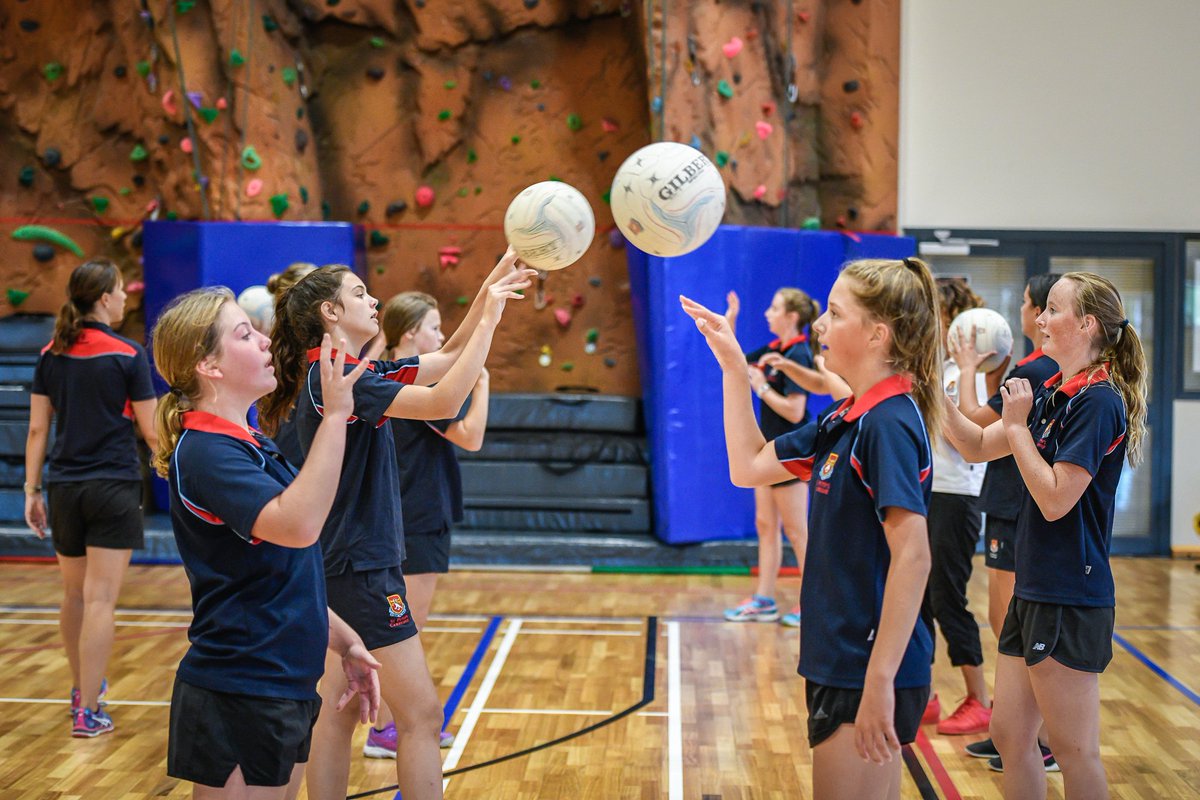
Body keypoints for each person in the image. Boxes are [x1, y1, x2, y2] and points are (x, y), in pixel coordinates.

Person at [259, 252, 534, 800]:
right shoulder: (337, 377)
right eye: (360, 294)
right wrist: (493, 319)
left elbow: (449, 354)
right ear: (331, 312)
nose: (374, 301)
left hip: (340, 561)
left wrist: (490, 284)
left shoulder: (344, 372)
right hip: (360, 567)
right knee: (422, 717)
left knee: (335, 716)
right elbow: (445, 398)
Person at [681, 256, 941, 799]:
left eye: (834, 312)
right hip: (840, 659)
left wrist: (879, 679)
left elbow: (913, 557)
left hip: (865, 664)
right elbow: (747, 465)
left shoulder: (888, 425)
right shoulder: (846, 418)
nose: (819, 324)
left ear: (876, 335)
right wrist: (733, 367)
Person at [151, 287, 381, 798]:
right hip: (239, 688)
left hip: (283, 685)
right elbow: (299, 525)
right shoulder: (207, 454)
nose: (263, 339)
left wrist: (344, 640)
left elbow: (282, 570)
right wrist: (338, 416)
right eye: (244, 333)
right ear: (208, 365)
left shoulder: (251, 443)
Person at [942, 272, 1146, 800]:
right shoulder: (1056, 390)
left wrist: (1015, 427)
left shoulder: (1099, 401)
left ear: (1087, 324)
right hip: (1034, 586)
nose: (1039, 320)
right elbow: (974, 446)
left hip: (1069, 594)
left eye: (1052, 310)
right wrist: (925, 388)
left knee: (1076, 751)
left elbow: (1057, 499)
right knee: (1010, 734)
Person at [24, 259, 157, 737]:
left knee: (74, 596)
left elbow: (38, 429)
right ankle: (89, 711)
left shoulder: (49, 352)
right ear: (104, 298)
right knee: (101, 599)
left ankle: (79, 693)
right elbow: (151, 431)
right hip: (113, 487)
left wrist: (31, 489)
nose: (125, 298)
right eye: (121, 290)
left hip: (63, 487)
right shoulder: (127, 354)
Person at [361, 291, 491, 757]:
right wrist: (483, 386)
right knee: (406, 629)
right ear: (412, 333)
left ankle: (389, 723)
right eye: (435, 327)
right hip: (416, 518)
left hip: (407, 516)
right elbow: (471, 437)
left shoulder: (384, 379)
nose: (441, 335)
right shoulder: (411, 388)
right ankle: (386, 728)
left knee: (401, 627)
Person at [949, 274, 1061, 769]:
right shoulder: (1035, 368)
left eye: (1025, 303)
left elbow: (976, 422)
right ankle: (1012, 730)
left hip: (1018, 506)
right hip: (1010, 504)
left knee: (1011, 622)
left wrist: (968, 367)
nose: (1023, 311)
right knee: (1007, 623)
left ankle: (1038, 740)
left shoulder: (1039, 370)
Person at [722, 288, 820, 628]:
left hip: (791, 452)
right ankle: (764, 600)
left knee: (798, 531)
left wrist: (762, 388)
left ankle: (815, 604)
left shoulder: (799, 354)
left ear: (791, 317)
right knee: (766, 525)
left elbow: (795, 412)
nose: (767, 312)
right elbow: (734, 360)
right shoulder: (773, 351)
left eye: (774, 307)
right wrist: (730, 321)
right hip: (768, 451)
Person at [920, 278, 992, 735]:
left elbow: (966, 440)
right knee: (919, 598)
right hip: (930, 492)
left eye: (936, 314)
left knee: (948, 599)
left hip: (956, 497)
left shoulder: (968, 376)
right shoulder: (939, 366)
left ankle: (978, 699)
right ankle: (923, 696)